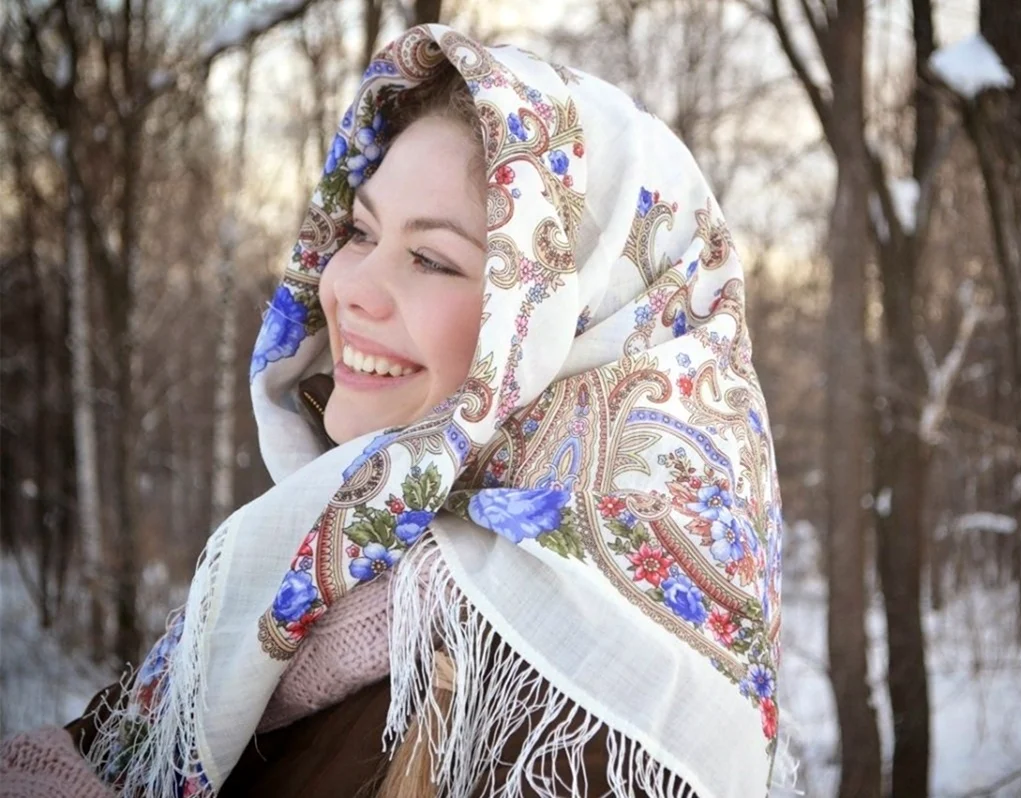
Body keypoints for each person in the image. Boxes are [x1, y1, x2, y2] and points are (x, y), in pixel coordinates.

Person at [1, 24, 785, 798]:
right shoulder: (330, 556)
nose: (346, 289)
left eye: (431, 259)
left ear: (570, 325)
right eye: (361, 232)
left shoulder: (591, 705)